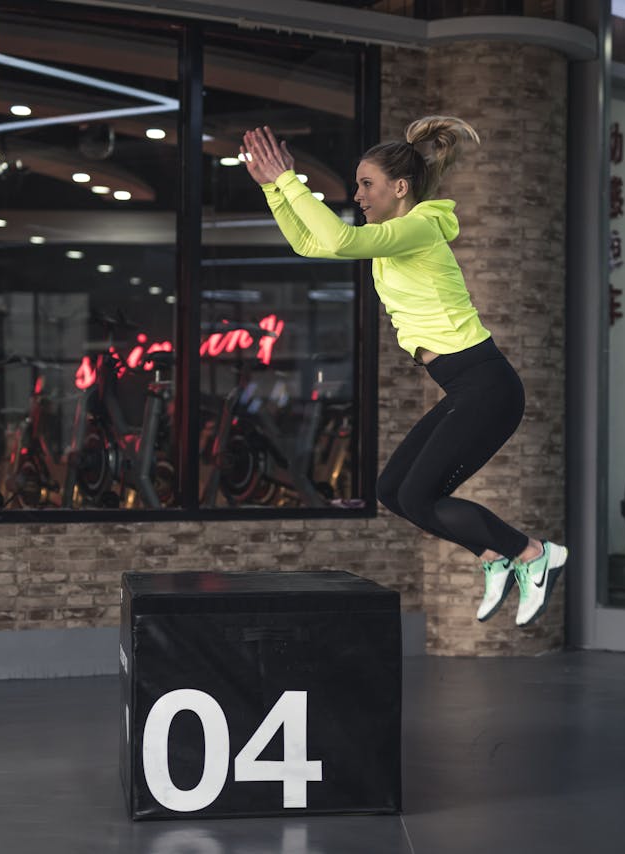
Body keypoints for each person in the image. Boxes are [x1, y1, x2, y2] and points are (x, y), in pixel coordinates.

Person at [240, 118, 567, 627]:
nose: (358, 194)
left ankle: (532, 553)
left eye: (366, 184)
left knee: (419, 495)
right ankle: (494, 556)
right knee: (393, 491)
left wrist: (288, 181)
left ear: (400, 187)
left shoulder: (417, 229)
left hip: (487, 387)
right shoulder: (388, 238)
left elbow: (341, 240)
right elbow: (314, 244)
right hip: (466, 387)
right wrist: (274, 193)